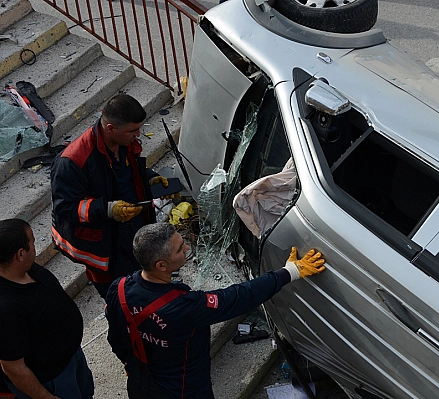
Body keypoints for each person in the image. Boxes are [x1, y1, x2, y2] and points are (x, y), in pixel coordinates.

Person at [105, 223, 325, 399]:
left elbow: (114, 335)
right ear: (161, 266)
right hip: (184, 389)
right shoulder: (184, 307)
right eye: (180, 248)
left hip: (140, 382)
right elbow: (238, 297)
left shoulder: (120, 289)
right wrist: (290, 272)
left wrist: (129, 363)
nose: (187, 248)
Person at [51, 94, 170, 299]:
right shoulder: (72, 161)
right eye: (132, 131)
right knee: (119, 295)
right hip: (103, 241)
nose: (137, 134)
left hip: (130, 230)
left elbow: (125, 175)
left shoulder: (122, 143)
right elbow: (66, 207)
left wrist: (149, 179)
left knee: (141, 280)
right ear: (110, 129)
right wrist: (107, 209)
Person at [0, 219, 94, 399]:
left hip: (70, 358)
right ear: (20, 254)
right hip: (51, 380)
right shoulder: (6, 311)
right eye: (32, 243)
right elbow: (14, 368)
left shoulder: (25, 269)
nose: (35, 248)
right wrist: (46, 397)